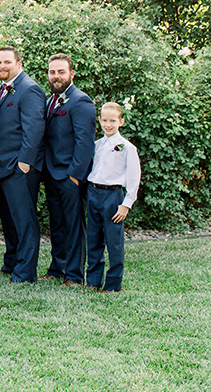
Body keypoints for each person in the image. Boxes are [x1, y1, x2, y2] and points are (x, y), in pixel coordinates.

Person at [0, 46, 45, 283]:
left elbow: (34, 130)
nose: (2, 66)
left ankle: (25, 272)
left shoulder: (29, 89)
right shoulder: (2, 89)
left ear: (19, 64)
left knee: (24, 221)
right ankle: (11, 262)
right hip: (2, 166)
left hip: (18, 168)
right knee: (9, 219)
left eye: (7, 62)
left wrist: (24, 163)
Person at [43, 53, 95, 286]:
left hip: (69, 176)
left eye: (61, 72)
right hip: (51, 173)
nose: (56, 76)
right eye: (52, 72)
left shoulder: (81, 101)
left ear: (71, 74)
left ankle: (74, 275)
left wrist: (74, 176)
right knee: (57, 225)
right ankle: (57, 267)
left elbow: (85, 143)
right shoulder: (51, 101)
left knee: (74, 227)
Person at [86, 102, 141, 293]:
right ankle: (93, 281)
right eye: (105, 120)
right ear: (99, 120)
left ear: (121, 122)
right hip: (93, 193)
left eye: (113, 121)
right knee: (93, 239)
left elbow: (134, 178)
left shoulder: (127, 148)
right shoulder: (96, 145)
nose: (108, 124)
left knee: (113, 242)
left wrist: (126, 204)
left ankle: (113, 284)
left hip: (113, 196)